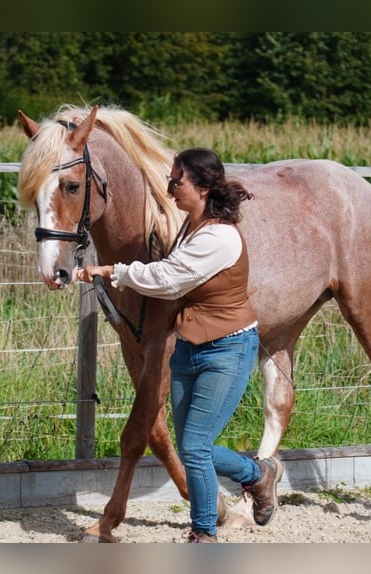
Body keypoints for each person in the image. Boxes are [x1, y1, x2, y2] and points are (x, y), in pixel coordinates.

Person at [77, 147, 283, 543]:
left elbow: (169, 278)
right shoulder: (192, 226)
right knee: (195, 449)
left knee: (194, 446)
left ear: (203, 188)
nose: (169, 189)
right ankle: (260, 474)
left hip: (227, 349)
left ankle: (204, 534)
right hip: (189, 349)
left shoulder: (220, 237)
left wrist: (111, 271)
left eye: (176, 182)